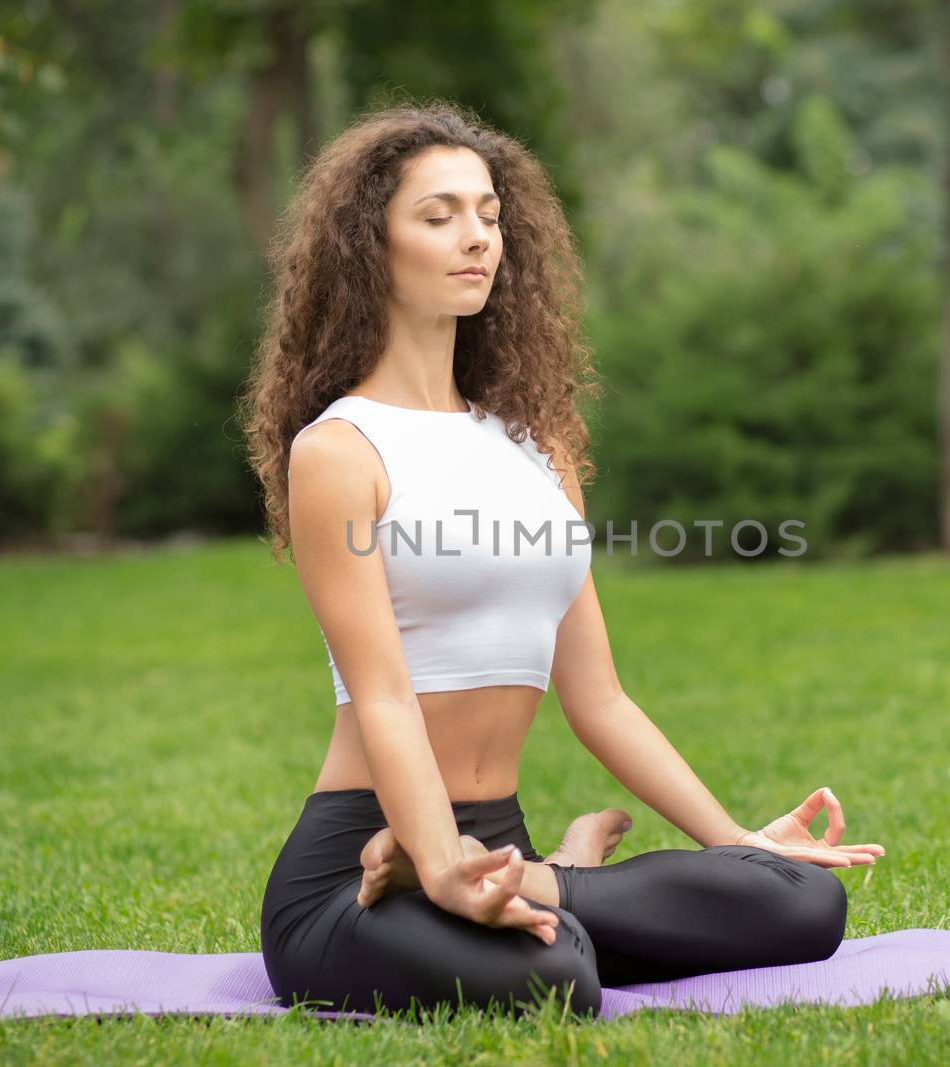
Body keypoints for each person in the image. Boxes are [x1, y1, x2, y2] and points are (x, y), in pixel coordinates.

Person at [238, 101, 885, 1021]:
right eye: (439, 216)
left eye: (491, 216)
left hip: (505, 846)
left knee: (803, 898)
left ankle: (552, 879)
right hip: (353, 870)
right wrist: (437, 861)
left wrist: (738, 839)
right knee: (556, 979)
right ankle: (489, 885)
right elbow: (382, 695)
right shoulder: (340, 450)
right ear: (366, 245)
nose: (477, 238)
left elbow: (601, 699)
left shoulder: (537, 448)